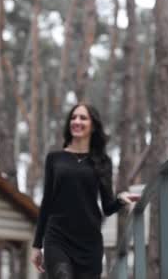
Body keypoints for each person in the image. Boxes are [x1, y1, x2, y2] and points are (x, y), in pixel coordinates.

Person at [31, 103, 140, 278]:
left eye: (83, 117)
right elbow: (46, 202)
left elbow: (107, 207)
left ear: (93, 126)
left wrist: (120, 199)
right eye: (73, 117)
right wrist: (37, 245)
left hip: (89, 242)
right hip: (57, 238)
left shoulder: (103, 162)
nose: (76, 121)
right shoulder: (54, 159)